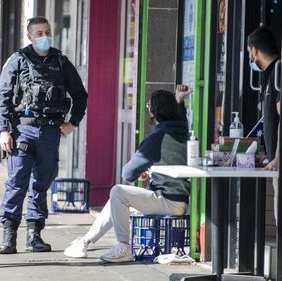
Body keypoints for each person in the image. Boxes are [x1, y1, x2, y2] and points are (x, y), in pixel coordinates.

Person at [63, 89, 191, 262]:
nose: (148, 108)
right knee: (114, 202)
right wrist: (179, 102)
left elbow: (127, 173)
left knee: (118, 191)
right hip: (181, 200)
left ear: (155, 110)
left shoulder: (158, 137)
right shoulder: (182, 131)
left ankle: (123, 246)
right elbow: (178, 129)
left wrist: (142, 170)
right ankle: (84, 242)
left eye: (149, 105)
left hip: (166, 201)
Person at [0, 16, 88, 254]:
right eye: (39, 33)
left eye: (47, 31)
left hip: (50, 131)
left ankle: (34, 235)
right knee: (17, 182)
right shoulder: (17, 60)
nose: (44, 36)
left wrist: (73, 123)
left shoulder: (61, 61)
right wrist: (4, 130)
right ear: (29, 36)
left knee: (41, 184)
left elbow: (80, 95)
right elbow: (3, 97)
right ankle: (9, 236)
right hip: (22, 130)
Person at [247, 26, 281, 221]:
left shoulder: (279, 71)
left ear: (255, 50)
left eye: (250, 52)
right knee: (279, 213)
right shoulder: (270, 74)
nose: (251, 58)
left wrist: (278, 157)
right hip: (275, 160)